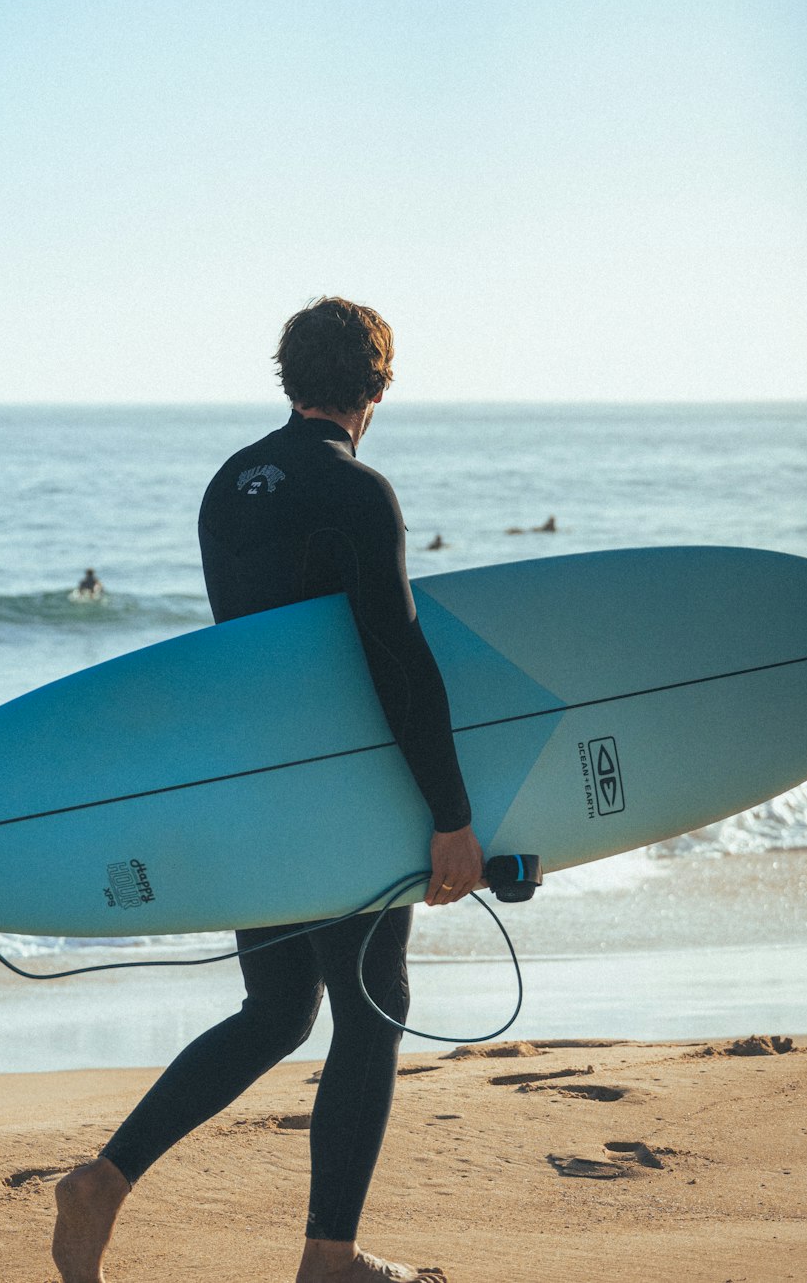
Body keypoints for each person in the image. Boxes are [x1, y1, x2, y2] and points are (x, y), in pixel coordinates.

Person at [52, 297, 484, 1283]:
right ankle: (329, 1254)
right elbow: (394, 659)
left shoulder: (226, 488)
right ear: (378, 386)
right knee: (372, 1009)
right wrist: (450, 814)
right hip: (336, 796)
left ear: (287, 379)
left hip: (250, 789)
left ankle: (107, 1179)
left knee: (280, 1010)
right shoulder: (358, 492)